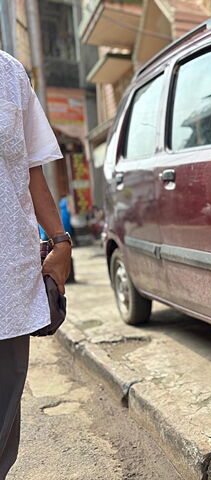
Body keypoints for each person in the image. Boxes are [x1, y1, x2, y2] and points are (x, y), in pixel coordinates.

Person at [0, 51, 72, 478]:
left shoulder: (10, 74)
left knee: (4, 431)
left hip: (10, 287)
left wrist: (60, 241)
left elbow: (29, 170)